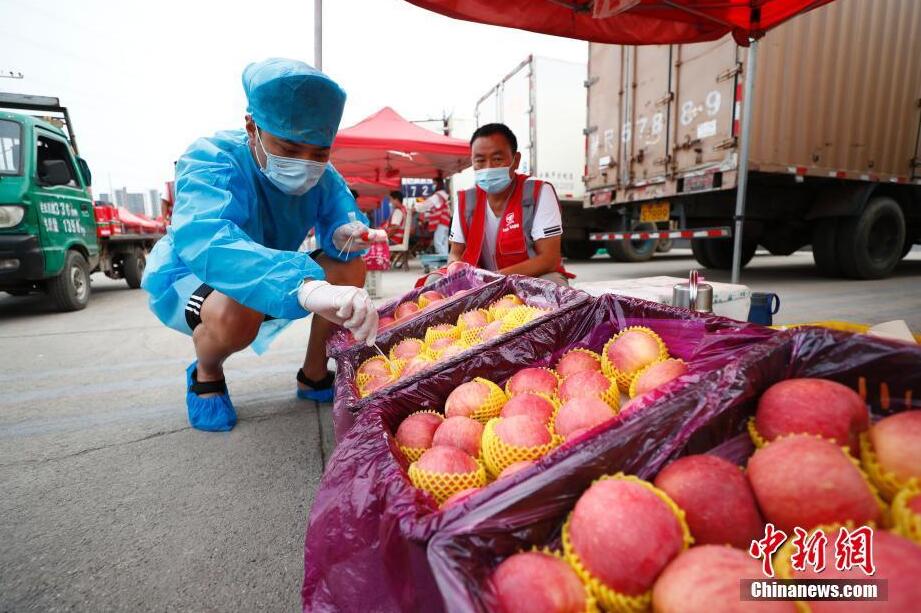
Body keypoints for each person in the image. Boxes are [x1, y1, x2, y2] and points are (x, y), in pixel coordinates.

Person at [142, 58, 379, 432]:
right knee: (238, 314)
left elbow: (340, 216)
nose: (305, 164)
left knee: (349, 269)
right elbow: (207, 237)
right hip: (200, 273)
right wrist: (302, 284)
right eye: (288, 147)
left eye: (319, 153)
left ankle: (315, 372)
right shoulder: (212, 159)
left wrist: (344, 235)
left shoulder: (325, 176)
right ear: (252, 127)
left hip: (279, 273)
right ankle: (207, 372)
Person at [447, 123, 570, 285]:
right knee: (433, 282)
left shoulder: (538, 192)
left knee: (553, 285)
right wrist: (454, 268)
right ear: (472, 162)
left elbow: (549, 259)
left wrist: (494, 278)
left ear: (516, 160)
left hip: (530, 279)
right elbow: (455, 253)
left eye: (497, 159)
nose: (488, 167)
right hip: (479, 282)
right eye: (480, 161)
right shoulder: (466, 199)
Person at [416, 178, 451, 255]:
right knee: (443, 242)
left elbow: (425, 205)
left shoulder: (437, 196)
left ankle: (443, 263)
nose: (433, 186)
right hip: (445, 221)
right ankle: (446, 262)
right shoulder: (444, 195)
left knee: (438, 242)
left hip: (440, 222)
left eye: (434, 184)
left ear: (438, 185)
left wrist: (416, 207)